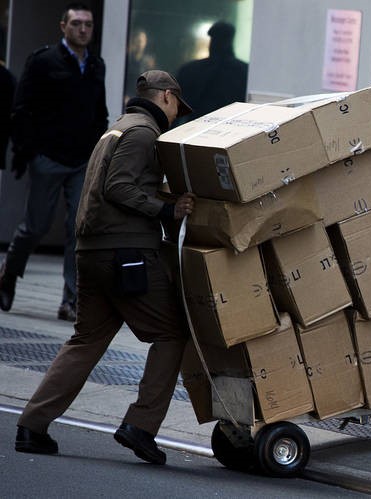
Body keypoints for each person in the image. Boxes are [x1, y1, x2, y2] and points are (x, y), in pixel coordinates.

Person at [14, 70, 196, 465]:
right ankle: (141, 425)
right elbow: (119, 187)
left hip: (92, 252)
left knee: (86, 341)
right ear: (166, 96)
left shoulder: (115, 129)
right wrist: (166, 209)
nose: (177, 114)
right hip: (125, 254)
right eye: (178, 106)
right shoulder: (145, 133)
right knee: (172, 333)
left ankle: (32, 426)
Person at [0, 2, 108, 322]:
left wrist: (97, 148)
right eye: (77, 23)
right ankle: (8, 276)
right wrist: (29, 151)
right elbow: (22, 109)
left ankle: (70, 299)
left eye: (88, 24)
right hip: (47, 158)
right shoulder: (44, 60)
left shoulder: (96, 65)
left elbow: (98, 110)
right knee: (35, 227)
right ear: (63, 26)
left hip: (80, 160)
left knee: (78, 228)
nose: (83, 29)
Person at [175, 21, 249, 124]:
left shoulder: (190, 69)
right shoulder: (245, 70)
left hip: (194, 129)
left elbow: (176, 108)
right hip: (231, 129)